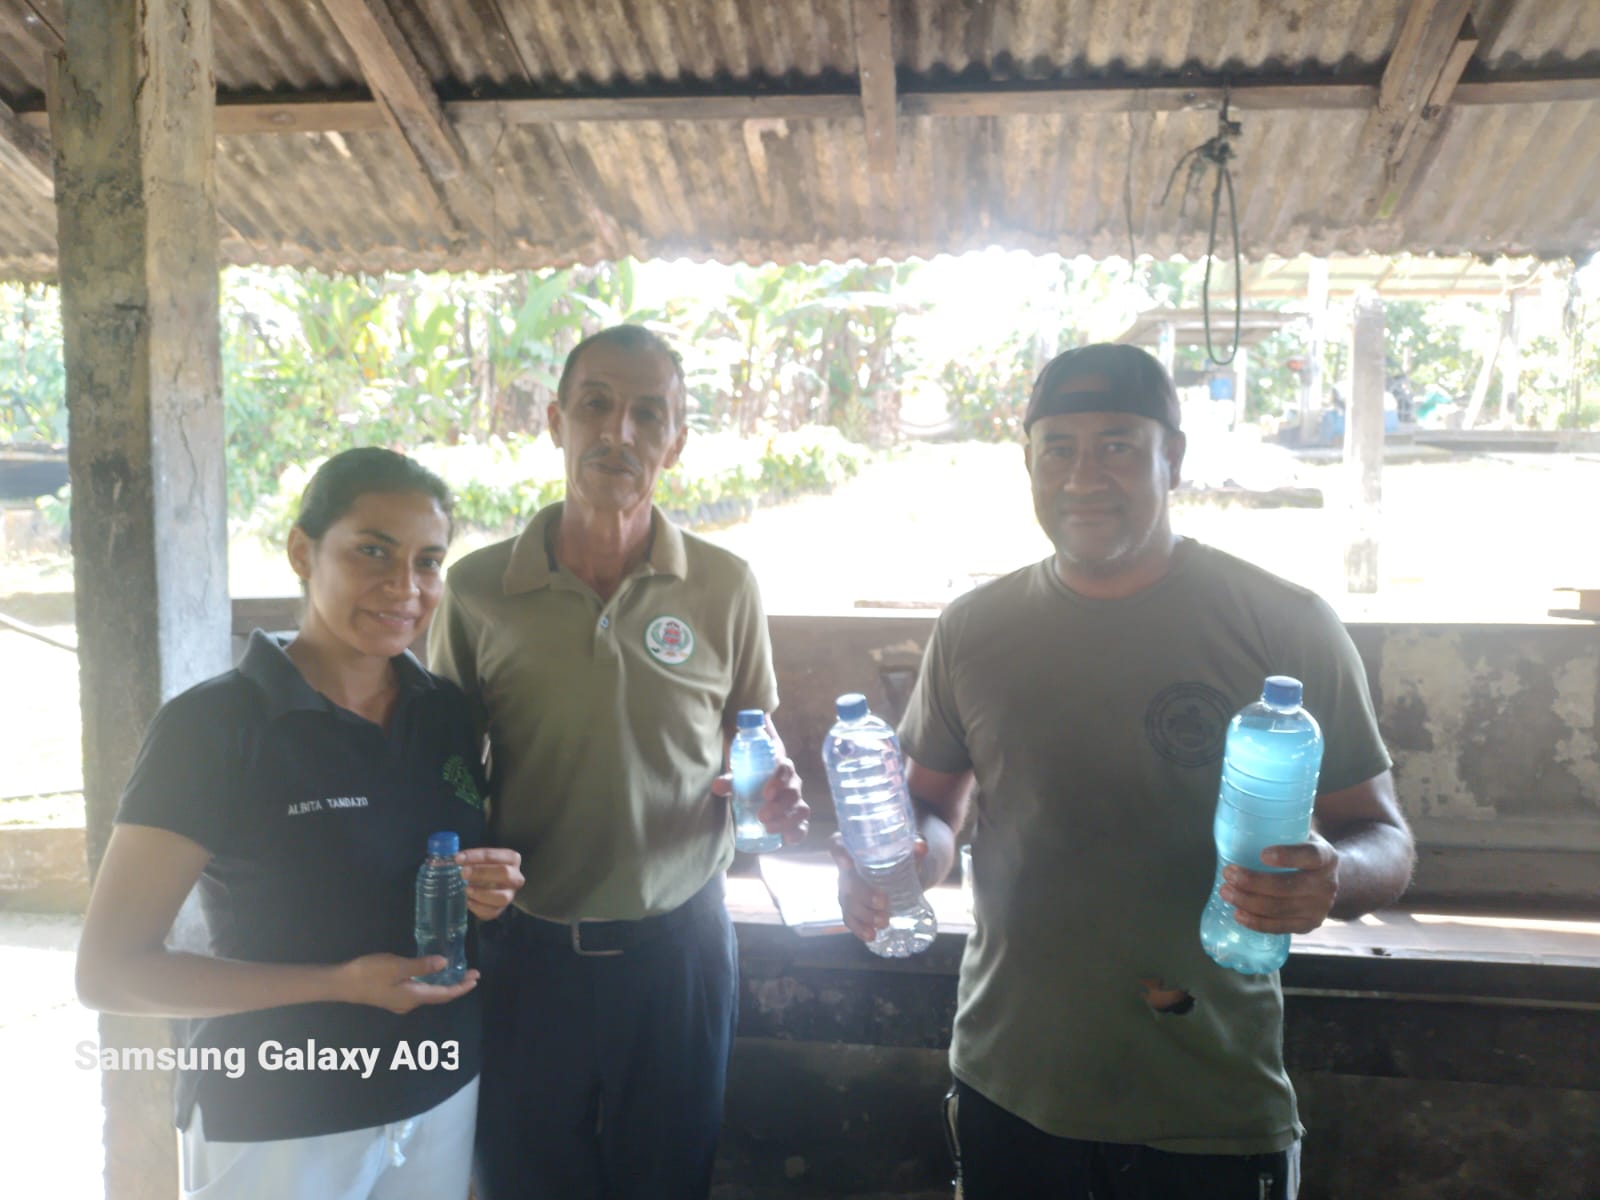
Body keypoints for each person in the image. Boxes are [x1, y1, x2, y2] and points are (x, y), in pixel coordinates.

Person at [832, 343, 1414, 1199]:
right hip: (1010, 1086)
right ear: (1028, 463)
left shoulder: (1283, 624)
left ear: (1171, 456)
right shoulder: (973, 630)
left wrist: (1332, 878)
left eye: (1116, 446)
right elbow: (932, 811)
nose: (1082, 477)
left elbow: (1384, 838)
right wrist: (897, 866)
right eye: (1057, 449)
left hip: (1208, 1102)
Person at [76, 448, 525, 1200]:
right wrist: (337, 985)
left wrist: (488, 890)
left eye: (428, 561)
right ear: (301, 552)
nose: (404, 587)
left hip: (438, 1089)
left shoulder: (447, 713)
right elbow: (108, 972)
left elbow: (423, 876)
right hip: (280, 1108)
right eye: (372, 551)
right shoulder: (213, 726)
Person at [428, 324, 809, 1200]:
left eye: (648, 414)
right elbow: (444, 767)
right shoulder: (479, 591)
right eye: (595, 405)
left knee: (668, 1179)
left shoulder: (724, 585)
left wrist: (769, 787)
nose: (618, 432)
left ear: (676, 441)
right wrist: (457, 877)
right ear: (555, 421)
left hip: (679, 948)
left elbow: (751, 734)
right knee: (524, 1181)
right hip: (525, 949)